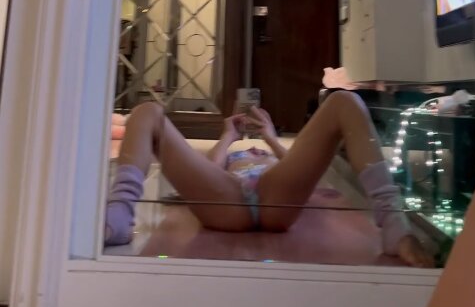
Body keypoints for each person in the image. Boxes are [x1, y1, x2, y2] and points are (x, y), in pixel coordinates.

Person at [105, 92, 434, 268]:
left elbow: (297, 167)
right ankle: (120, 212)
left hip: (272, 193)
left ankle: (394, 223)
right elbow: (212, 167)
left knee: (344, 101)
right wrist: (228, 136)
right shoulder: (235, 155)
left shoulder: (274, 156)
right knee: (146, 111)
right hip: (230, 194)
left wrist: (271, 138)